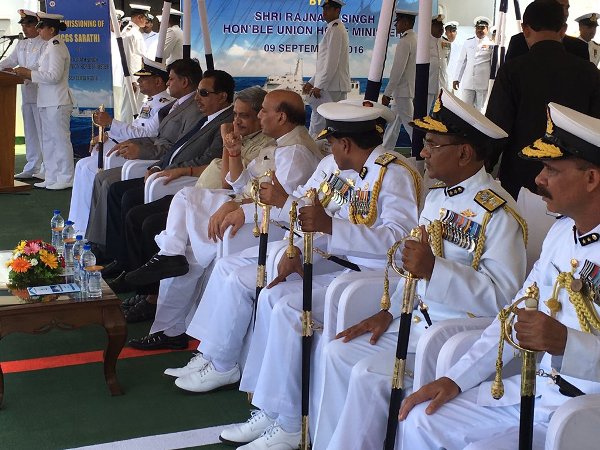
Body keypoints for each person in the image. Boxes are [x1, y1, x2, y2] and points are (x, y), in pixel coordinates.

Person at [312, 88, 527, 450]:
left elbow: (503, 298)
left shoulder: (498, 214)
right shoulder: (437, 196)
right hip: (413, 323)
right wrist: (389, 310)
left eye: (432, 144)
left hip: (452, 337)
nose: (423, 152)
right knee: (336, 351)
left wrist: (435, 270)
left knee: (367, 375)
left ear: (464, 153)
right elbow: (412, 267)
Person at [202, 100, 421, 450]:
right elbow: (305, 207)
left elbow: (398, 241)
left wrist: (331, 226)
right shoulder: (330, 166)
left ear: (345, 144)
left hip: (375, 279)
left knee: (289, 310)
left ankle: (291, 424)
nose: (328, 149)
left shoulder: (393, 174)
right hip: (335, 262)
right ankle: (271, 409)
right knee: (272, 295)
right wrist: (294, 249)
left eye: (331, 143)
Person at [398, 102, 600, 450]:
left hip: (584, 414)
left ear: (591, 179)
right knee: (423, 419)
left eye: (551, 169)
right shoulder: (561, 234)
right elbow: (512, 314)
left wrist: (569, 344)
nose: (538, 180)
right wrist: (455, 379)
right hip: (537, 392)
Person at [125, 89, 323, 346]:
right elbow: (241, 184)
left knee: (188, 244)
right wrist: (233, 152)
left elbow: (280, 207)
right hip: (247, 212)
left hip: (265, 227)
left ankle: (171, 324)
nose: (259, 116)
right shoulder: (282, 145)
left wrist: (237, 207)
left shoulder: (294, 153)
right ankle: (170, 270)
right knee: (186, 227)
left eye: (264, 111)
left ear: (281, 117)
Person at [100, 69, 235, 288]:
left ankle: (139, 281)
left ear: (222, 96)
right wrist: (156, 166)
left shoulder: (226, 123)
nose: (197, 98)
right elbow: (176, 147)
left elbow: (207, 160)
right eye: (197, 92)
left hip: (185, 180)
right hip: (166, 170)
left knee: (136, 209)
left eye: (203, 93)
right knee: (117, 191)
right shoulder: (205, 117)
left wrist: (175, 170)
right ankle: (122, 260)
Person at [85, 58, 202, 254]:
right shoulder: (174, 105)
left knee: (113, 186)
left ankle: (109, 249)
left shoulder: (192, 109)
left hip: (163, 164)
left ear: (184, 82)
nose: (167, 83)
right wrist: (131, 143)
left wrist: (141, 151)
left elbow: (176, 147)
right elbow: (153, 136)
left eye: (171, 79)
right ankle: (98, 240)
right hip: (154, 158)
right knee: (102, 178)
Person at [485, 0, 600, 200]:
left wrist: (483, 169)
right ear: (563, 30)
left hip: (520, 177)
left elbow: (496, 127)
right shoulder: (590, 73)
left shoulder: (512, 71)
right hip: (573, 181)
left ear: (525, 29)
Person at [68, 57, 172, 235]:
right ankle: (77, 224)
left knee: (88, 169)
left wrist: (111, 123)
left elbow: (146, 134)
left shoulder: (166, 105)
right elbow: (135, 127)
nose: (139, 81)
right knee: (81, 165)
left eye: (144, 78)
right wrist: (107, 135)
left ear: (158, 81)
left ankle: (85, 230)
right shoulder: (149, 102)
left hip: (140, 153)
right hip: (129, 146)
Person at [13, 12, 73, 191]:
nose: (38, 31)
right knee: (48, 141)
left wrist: (28, 74)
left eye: (41, 27)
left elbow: (54, 76)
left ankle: (66, 177)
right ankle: (52, 176)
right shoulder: (49, 46)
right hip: (46, 100)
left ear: (51, 29)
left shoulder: (56, 47)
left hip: (57, 100)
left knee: (60, 141)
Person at [0, 10, 46, 180]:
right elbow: (11, 61)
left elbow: (41, 68)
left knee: (43, 133)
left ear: (37, 25)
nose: (24, 28)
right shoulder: (21, 44)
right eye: (23, 25)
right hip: (26, 95)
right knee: (30, 132)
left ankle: (46, 168)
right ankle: (32, 166)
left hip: (41, 94)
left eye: (28, 25)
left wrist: (21, 72)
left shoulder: (45, 44)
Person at [303, 0, 351, 137]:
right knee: (325, 121)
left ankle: (316, 147)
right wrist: (312, 82)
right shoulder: (332, 29)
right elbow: (324, 63)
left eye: (328, 8)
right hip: (331, 84)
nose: (324, 11)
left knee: (321, 122)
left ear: (337, 11)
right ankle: (321, 147)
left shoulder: (336, 29)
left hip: (331, 86)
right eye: (324, 8)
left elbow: (331, 62)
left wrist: (319, 85)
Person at [505, 0, 589, 62]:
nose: (565, 13)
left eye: (567, 8)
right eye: (559, 7)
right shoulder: (519, 42)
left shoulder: (579, 47)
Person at [381, 10, 417, 148]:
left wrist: (387, 93)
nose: (395, 25)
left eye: (398, 22)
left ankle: (423, 151)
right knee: (393, 123)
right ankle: (384, 150)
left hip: (403, 91)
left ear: (406, 23)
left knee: (411, 125)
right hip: (405, 90)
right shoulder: (414, 39)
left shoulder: (405, 41)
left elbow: (397, 71)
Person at [452, 16, 493, 112]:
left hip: (483, 83)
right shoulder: (468, 42)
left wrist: (492, 83)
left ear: (487, 29)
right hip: (468, 82)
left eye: (482, 28)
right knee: (466, 109)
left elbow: (493, 65)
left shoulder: (491, 44)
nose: (480, 30)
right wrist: (457, 78)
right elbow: (462, 61)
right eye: (478, 28)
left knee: (480, 111)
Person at [119, 3, 149, 123]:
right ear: (139, 17)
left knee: (137, 107)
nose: (146, 21)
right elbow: (127, 57)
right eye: (145, 18)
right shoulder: (129, 33)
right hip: (132, 77)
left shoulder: (135, 32)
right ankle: (124, 132)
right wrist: (130, 79)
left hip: (138, 76)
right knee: (128, 108)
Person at [428, 15, 445, 109]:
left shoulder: (443, 42)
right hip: (427, 87)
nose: (441, 29)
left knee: (437, 114)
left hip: (440, 87)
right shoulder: (424, 42)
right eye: (438, 26)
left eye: (442, 26)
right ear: (431, 26)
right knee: (424, 113)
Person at [440, 21, 458, 91]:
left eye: (453, 31)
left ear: (456, 33)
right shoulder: (441, 42)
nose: (452, 33)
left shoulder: (459, 45)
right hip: (443, 78)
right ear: (445, 33)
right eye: (449, 31)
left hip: (456, 79)